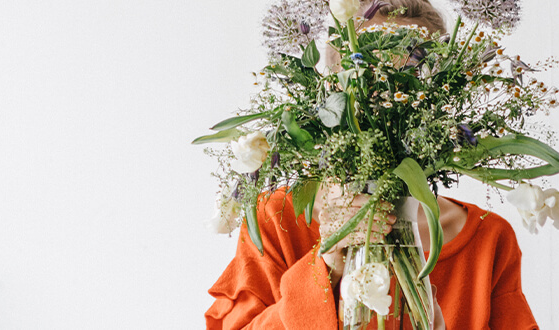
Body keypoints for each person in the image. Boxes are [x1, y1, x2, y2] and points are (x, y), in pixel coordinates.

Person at [205, 1, 540, 329]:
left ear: (442, 96)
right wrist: (325, 268)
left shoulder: (487, 240)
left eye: (410, 81)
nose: (390, 98)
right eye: (369, 78)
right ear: (333, 92)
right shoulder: (278, 220)